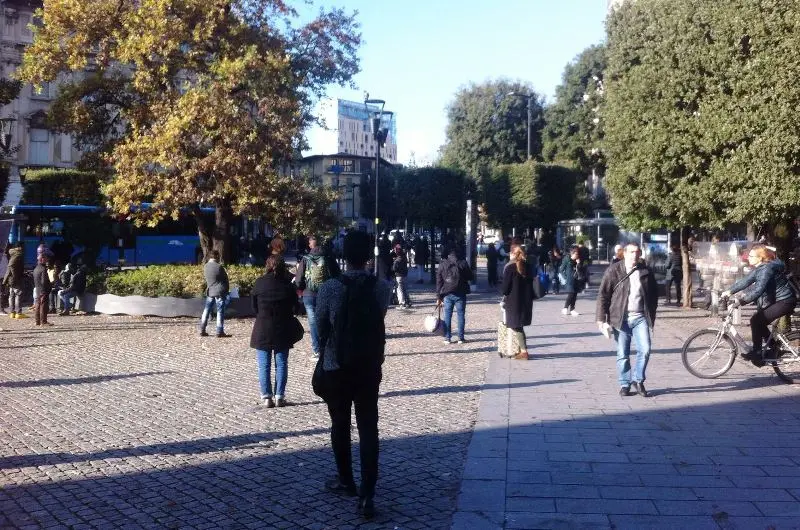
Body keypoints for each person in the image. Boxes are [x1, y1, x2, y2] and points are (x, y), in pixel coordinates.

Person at [314, 231, 390, 520]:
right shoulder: (380, 287)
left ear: (345, 257)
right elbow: (379, 318)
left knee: (340, 424)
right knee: (369, 427)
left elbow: (321, 327)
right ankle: (368, 494)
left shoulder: (331, 287)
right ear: (368, 256)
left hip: (337, 365)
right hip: (369, 365)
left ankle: (346, 480)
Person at [595, 243, 659, 397]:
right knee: (623, 353)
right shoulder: (614, 270)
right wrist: (600, 318)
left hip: (640, 317)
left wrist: (651, 311)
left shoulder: (645, 271)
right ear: (624, 253)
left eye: (638, 252)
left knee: (645, 349)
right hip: (620, 318)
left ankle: (638, 380)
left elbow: (654, 293)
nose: (635, 255)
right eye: (632, 252)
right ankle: (625, 384)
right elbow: (603, 295)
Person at [722, 244, 797, 365]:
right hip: (778, 300)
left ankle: (757, 352)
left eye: (751, 256)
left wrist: (740, 302)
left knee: (757, 320)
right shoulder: (760, 268)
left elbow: (758, 290)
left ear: (760, 258)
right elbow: (745, 281)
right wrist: (729, 291)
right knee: (757, 320)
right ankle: (774, 347)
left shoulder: (766, 269)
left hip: (785, 301)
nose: (748, 258)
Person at [250, 255, 299, 408]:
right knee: (282, 363)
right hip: (282, 327)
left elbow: (254, 307)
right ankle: (279, 396)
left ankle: (266, 397)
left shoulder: (259, 283)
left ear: (268, 266)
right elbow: (295, 307)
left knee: (264, 364)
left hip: (263, 327)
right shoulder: (287, 285)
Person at [294, 235, 332, 359]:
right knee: (325, 319)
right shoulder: (327, 257)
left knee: (313, 322)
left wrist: (299, 289)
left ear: (310, 245)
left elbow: (299, 279)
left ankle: (317, 350)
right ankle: (326, 347)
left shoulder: (305, 258)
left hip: (309, 294)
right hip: (324, 293)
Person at [502, 246, 536, 360]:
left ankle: (524, 351)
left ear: (512, 254)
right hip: (526, 301)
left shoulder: (510, 268)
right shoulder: (529, 267)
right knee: (518, 326)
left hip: (513, 302)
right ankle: (521, 349)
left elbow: (505, 289)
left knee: (516, 326)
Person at [436, 247, 473, 344]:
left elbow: (439, 282)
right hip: (460, 293)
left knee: (447, 315)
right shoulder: (463, 263)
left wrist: (438, 297)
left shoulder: (443, 264)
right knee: (461, 315)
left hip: (447, 293)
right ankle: (460, 337)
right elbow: (470, 276)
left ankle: (447, 337)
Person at [199, 250, 230, 337]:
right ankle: (219, 331)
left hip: (210, 291)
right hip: (220, 291)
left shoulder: (205, 266)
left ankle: (202, 329)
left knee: (207, 310)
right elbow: (225, 279)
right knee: (220, 311)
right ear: (216, 256)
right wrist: (226, 290)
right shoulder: (219, 267)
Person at [559, 247, 588, 316]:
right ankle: (565, 308)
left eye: (578, 254)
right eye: (576, 254)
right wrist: (565, 277)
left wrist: (578, 263)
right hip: (569, 280)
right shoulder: (567, 259)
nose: (577, 256)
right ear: (572, 254)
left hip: (576, 280)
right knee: (571, 294)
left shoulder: (577, 261)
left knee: (575, 295)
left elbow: (580, 270)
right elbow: (561, 269)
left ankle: (572, 309)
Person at [3, 243, 26, 319]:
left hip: (10, 278)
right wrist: (15, 276)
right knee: (18, 294)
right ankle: (19, 313)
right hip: (15, 278)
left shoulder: (12, 253)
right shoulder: (18, 254)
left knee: (12, 295)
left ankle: (12, 313)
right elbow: (11, 265)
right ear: (19, 247)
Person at [33, 254, 52, 326]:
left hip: (37, 289)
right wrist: (49, 286)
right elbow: (44, 281)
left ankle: (37, 321)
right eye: (46, 259)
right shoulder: (43, 269)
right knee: (43, 306)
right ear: (42, 259)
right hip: (43, 290)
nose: (47, 260)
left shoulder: (36, 269)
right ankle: (43, 322)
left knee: (38, 305)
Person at [391, 243, 411, 308]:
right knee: (404, 289)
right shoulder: (404, 256)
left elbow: (394, 268)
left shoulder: (398, 259)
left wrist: (394, 262)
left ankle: (402, 303)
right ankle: (408, 301)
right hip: (404, 275)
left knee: (400, 290)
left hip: (399, 275)